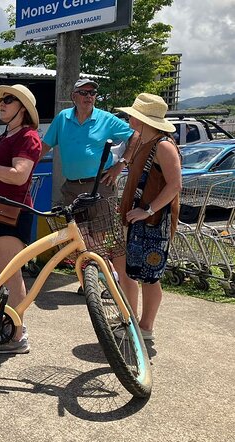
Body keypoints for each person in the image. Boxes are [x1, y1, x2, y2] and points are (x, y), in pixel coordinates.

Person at [0, 84, 43, 354]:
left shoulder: (27, 136)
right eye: (1, 100)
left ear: (23, 108)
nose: (1, 104)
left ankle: (17, 336)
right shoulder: (6, 136)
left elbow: (18, 175)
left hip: (11, 213)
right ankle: (11, 328)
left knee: (12, 277)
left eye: (9, 100)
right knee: (3, 274)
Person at [113, 93, 182, 340]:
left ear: (142, 119)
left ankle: (146, 327)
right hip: (138, 217)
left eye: (134, 114)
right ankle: (134, 322)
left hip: (153, 221)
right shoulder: (145, 141)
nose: (130, 117)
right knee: (132, 271)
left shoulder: (162, 145)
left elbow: (175, 185)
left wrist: (148, 210)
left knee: (149, 277)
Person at [41, 79, 139, 204]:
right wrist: (28, 167)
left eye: (92, 93)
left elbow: (135, 136)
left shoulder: (106, 118)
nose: (88, 96)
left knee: (102, 224)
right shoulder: (62, 117)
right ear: (73, 96)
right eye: (83, 92)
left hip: (100, 186)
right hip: (71, 188)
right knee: (72, 225)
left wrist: (121, 164)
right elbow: (44, 146)